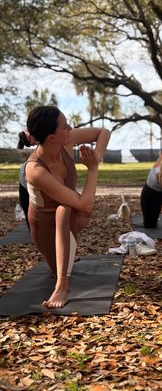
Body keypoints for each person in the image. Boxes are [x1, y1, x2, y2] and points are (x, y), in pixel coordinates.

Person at [17, 105, 110, 309]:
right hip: (45, 227)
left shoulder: (65, 141)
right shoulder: (35, 169)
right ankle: (61, 280)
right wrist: (92, 169)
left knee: (66, 209)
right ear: (51, 137)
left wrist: (97, 156)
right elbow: (85, 203)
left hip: (72, 215)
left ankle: (63, 276)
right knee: (63, 209)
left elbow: (103, 132)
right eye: (65, 126)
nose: (70, 129)